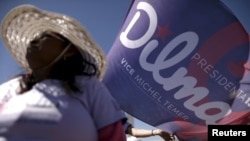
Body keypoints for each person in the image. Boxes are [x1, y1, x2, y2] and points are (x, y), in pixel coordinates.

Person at [0, 4, 127, 141]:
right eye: (33, 38)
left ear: (69, 50)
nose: (34, 41)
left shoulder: (88, 86)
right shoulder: (12, 86)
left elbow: (114, 136)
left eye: (44, 36)